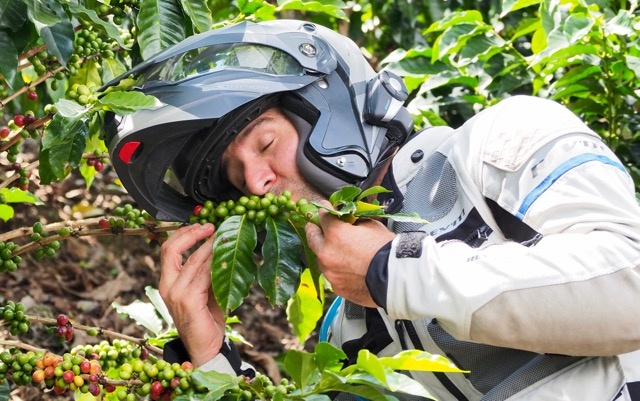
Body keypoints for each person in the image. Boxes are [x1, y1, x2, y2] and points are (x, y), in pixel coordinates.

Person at [102, 19, 640, 400]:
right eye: (237, 179)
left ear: (328, 110)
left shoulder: (501, 142)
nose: (258, 183)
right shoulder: (345, 333)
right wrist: (211, 354)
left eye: (264, 146)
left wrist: (393, 269)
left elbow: (630, 289)